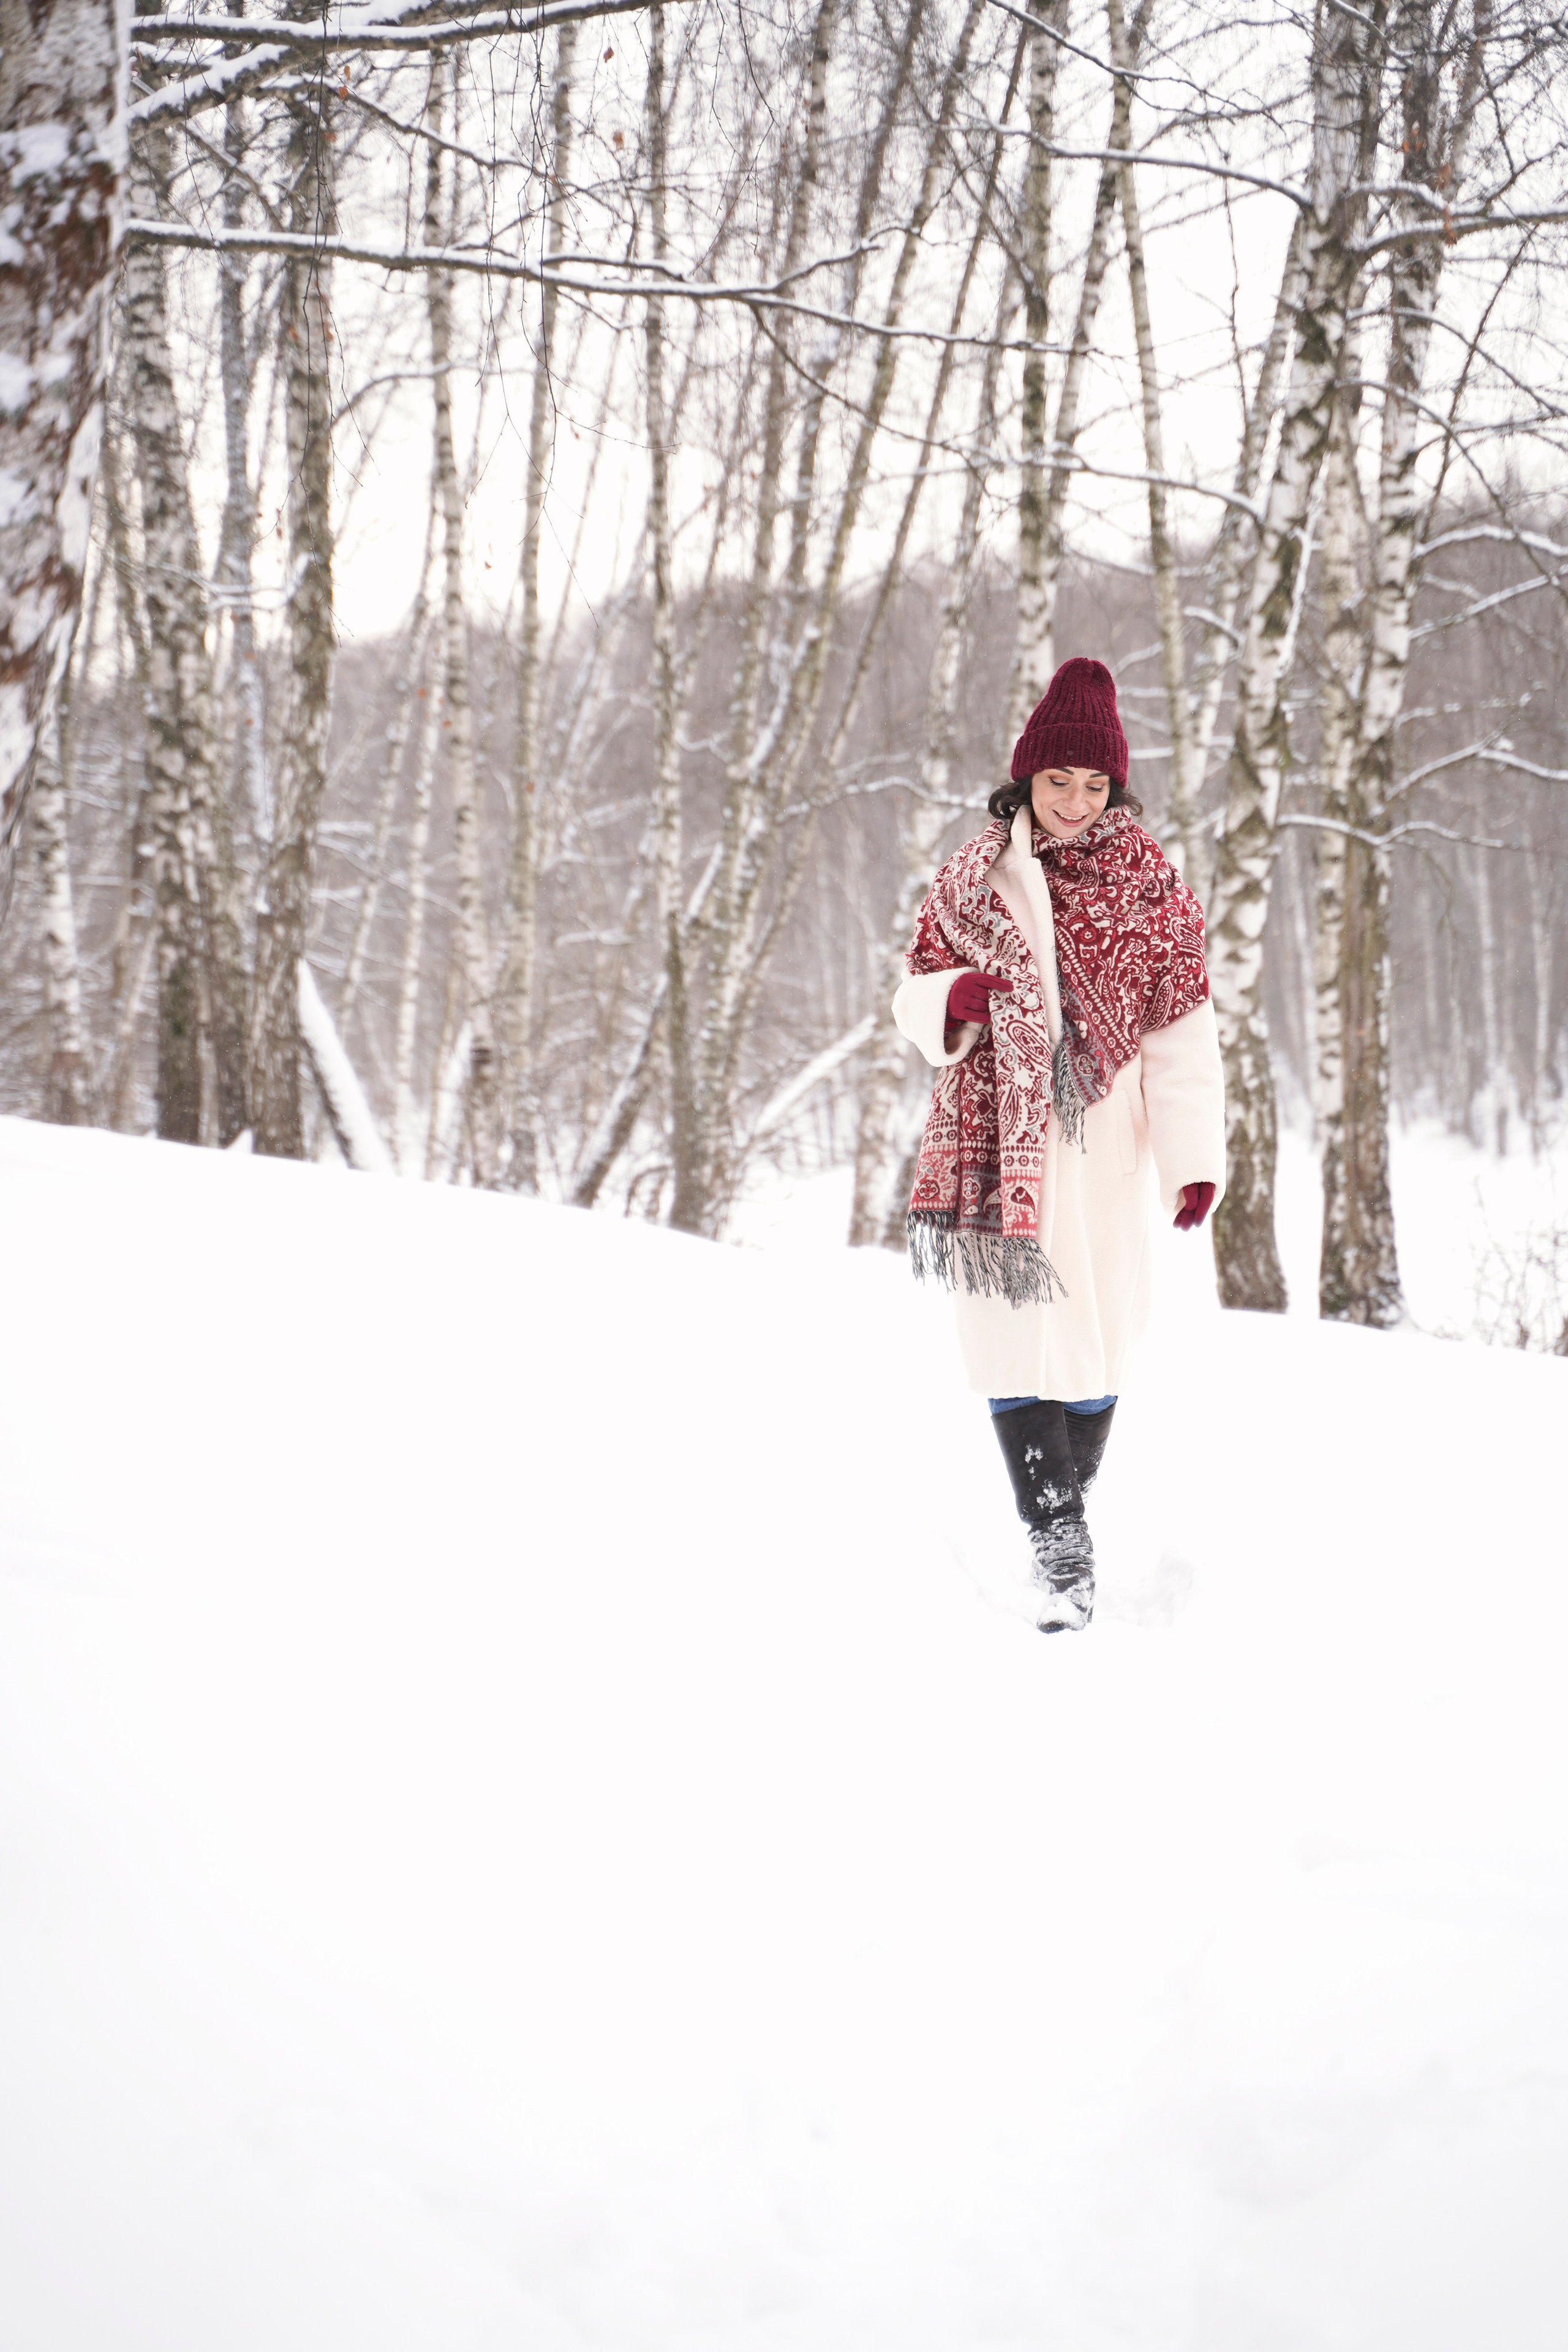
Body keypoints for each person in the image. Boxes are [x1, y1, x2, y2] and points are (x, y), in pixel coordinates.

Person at [892, 657, 1224, 1633]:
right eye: (1056, 781)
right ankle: (1060, 1547)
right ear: (1026, 778)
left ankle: (1065, 1504)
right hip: (999, 1145)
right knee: (1013, 1349)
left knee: (1098, 1354)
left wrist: (1194, 1162)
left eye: (1092, 784)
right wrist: (948, 1002)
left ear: (1115, 786)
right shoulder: (975, 876)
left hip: (1106, 1151)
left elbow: (1184, 1037)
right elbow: (914, 989)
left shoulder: (1154, 890)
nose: (1074, 802)